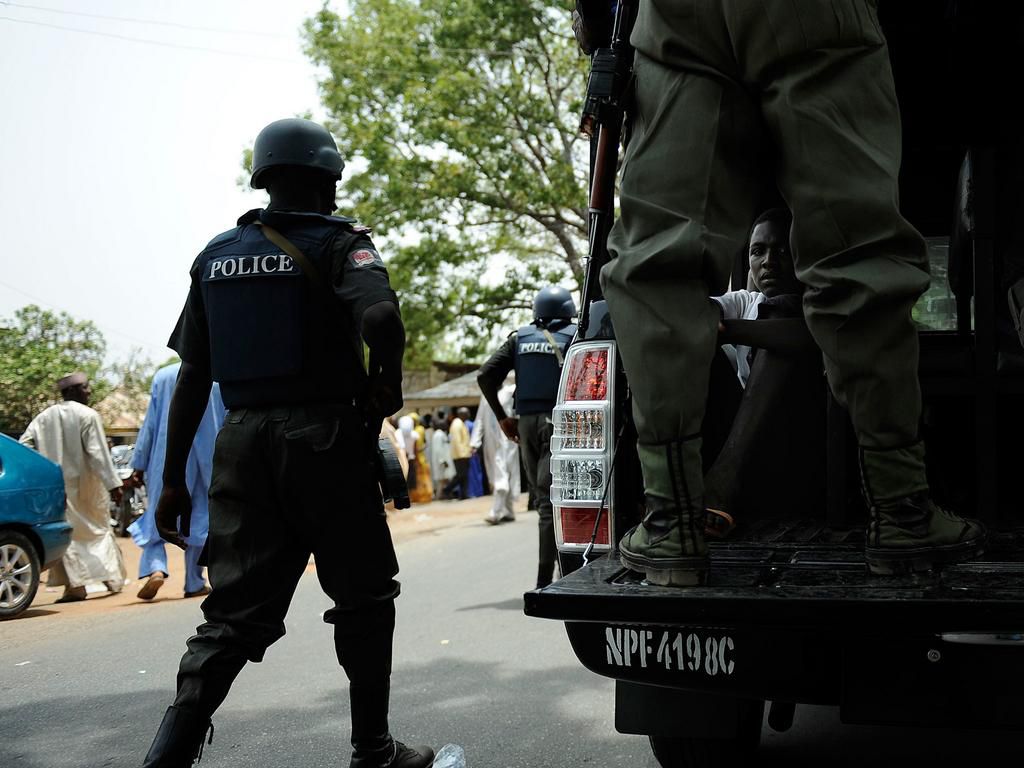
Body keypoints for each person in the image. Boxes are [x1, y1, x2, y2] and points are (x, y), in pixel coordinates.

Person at [573, 0, 985, 585]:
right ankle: (903, 515)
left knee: (661, 259)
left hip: (674, 16)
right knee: (855, 249)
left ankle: (672, 524)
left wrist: (602, 33)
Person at [139, 118, 433, 768]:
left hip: (240, 444)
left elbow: (192, 374)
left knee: (232, 615)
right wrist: (385, 389)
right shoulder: (340, 243)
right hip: (324, 440)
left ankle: (166, 756)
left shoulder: (216, 255)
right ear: (327, 179)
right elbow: (380, 317)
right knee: (363, 596)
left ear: (265, 178)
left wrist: (168, 483)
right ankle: (374, 751)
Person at [701, 208, 825, 531]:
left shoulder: (825, 306)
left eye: (782, 250)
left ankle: (722, 482)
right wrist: (709, 317)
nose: (768, 261)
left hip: (797, 451)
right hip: (742, 446)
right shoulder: (744, 302)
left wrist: (729, 331)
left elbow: (807, 336)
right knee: (697, 350)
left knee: (783, 316)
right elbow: (703, 313)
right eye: (758, 251)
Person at [477, 286, 577, 588]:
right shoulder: (575, 335)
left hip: (526, 425)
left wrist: (503, 418)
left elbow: (485, 376)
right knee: (555, 502)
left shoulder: (519, 338)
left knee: (542, 500)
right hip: (560, 423)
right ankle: (548, 580)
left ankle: (554, 576)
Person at [19, 372, 126, 602]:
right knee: (97, 532)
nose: (89, 391)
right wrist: (113, 485)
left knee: (69, 536)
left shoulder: (43, 417)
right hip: (87, 487)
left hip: (56, 488)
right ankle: (112, 579)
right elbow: (99, 455)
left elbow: (24, 446)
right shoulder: (88, 415)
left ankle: (75, 588)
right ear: (71, 391)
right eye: (85, 387)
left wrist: (42, 470)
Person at [129, 362, 225, 601]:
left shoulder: (162, 377)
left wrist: (138, 464)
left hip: (166, 457)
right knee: (199, 517)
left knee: (156, 515)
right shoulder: (216, 376)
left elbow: (150, 424)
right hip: (207, 458)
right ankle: (194, 581)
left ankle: (155, 568)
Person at [471, 380, 520, 525]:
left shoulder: (510, 392)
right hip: (493, 443)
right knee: (500, 475)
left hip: (509, 441)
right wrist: (475, 442)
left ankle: (495, 513)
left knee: (504, 478)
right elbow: (479, 419)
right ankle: (509, 512)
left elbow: (516, 414)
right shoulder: (485, 396)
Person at [442, 407, 472, 500]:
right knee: (460, 475)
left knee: (464, 476)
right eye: (467, 413)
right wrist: (462, 454)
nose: (468, 415)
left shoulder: (460, 423)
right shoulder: (457, 424)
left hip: (464, 453)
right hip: (460, 455)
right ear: (461, 414)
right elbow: (456, 441)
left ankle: (464, 495)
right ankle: (447, 489)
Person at [407, 413, 434, 504]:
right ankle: (418, 496)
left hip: (420, 456)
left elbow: (425, 443)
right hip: (416, 456)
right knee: (417, 478)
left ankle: (425, 495)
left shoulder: (418, 430)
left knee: (422, 477)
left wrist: (420, 449)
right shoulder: (412, 431)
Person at [430, 414, 454, 498]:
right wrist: (442, 460)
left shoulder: (440, 434)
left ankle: (444, 495)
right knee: (442, 480)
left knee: (444, 480)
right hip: (442, 461)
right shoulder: (438, 435)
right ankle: (439, 496)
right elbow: (438, 449)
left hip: (443, 460)